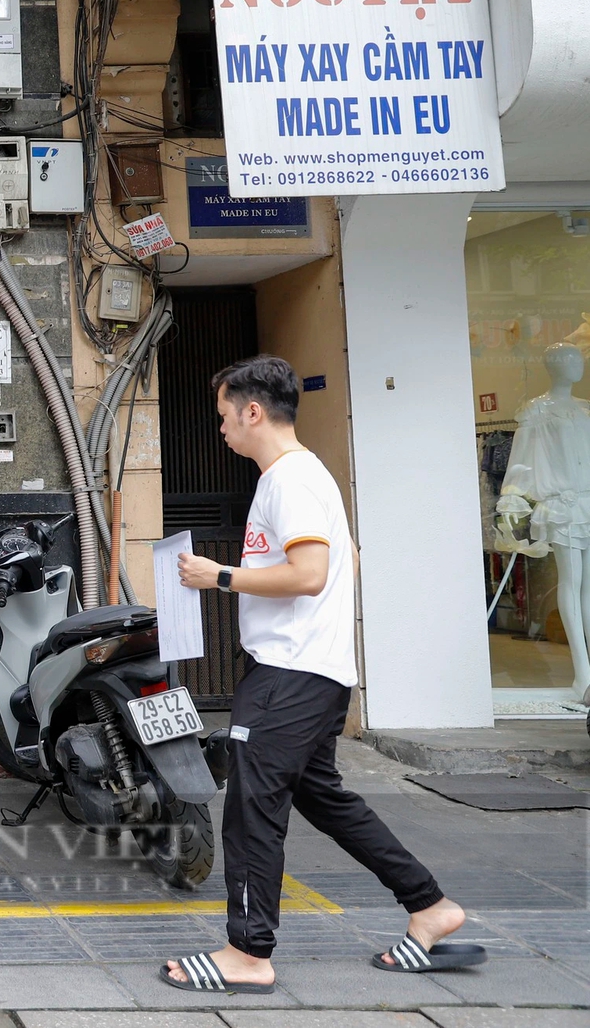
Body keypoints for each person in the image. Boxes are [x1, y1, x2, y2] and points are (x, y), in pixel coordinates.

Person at [158, 354, 483, 995]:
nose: (220, 428)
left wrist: (216, 575)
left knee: (252, 810)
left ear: (254, 411)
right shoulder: (304, 477)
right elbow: (346, 565)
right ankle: (430, 908)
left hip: (288, 675)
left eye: (224, 416)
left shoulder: (290, 481)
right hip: (314, 672)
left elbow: (311, 576)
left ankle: (248, 954)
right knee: (324, 799)